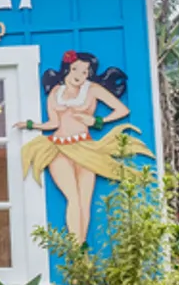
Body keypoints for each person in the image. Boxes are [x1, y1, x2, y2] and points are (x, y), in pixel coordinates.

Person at [16, 50, 151, 243]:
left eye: (85, 72)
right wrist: (30, 125)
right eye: (75, 69)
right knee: (72, 198)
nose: (79, 75)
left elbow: (122, 109)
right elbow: (53, 123)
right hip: (58, 147)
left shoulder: (92, 89)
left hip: (86, 147)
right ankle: (75, 248)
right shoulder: (55, 92)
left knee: (84, 201)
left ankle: (81, 247)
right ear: (67, 69)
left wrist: (97, 121)